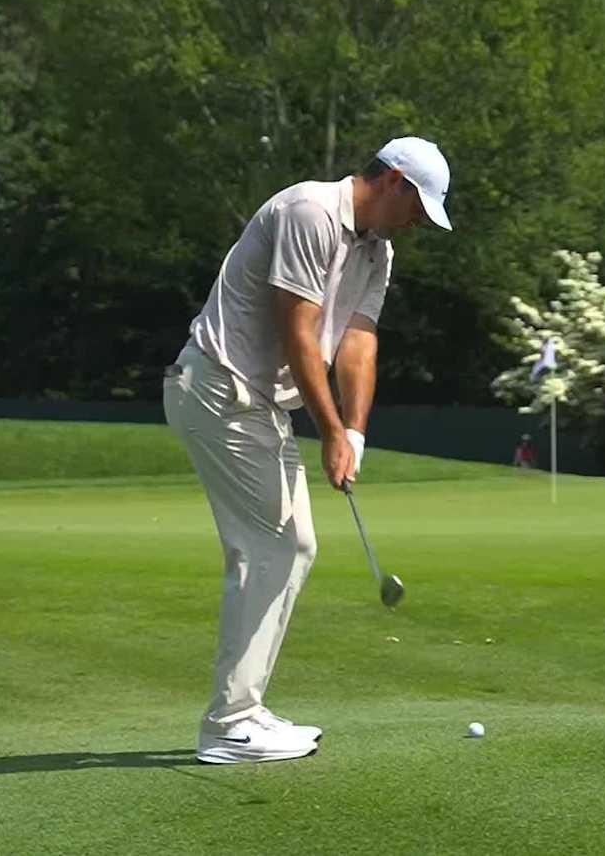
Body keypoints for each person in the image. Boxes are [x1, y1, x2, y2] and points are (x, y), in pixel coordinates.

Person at [163, 137, 452, 765]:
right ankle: (230, 724)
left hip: (256, 403)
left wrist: (354, 432)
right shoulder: (310, 211)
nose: (418, 223)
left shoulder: (379, 251)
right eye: (418, 208)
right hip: (219, 386)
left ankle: (243, 711)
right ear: (395, 180)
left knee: (291, 545)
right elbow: (299, 328)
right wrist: (327, 432)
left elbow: (358, 344)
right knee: (274, 545)